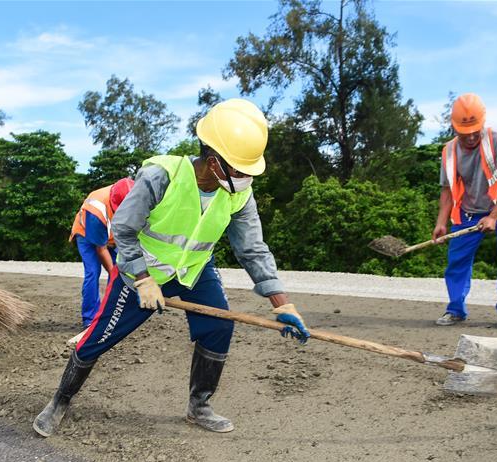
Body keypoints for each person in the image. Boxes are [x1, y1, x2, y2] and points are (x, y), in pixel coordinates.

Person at [34, 99, 310, 436]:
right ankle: (60, 400)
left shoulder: (238, 194)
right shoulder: (161, 176)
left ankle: (200, 406)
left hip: (194, 271)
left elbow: (252, 249)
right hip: (142, 272)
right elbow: (122, 229)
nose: (247, 178)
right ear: (214, 162)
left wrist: (283, 305)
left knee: (219, 327)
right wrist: (143, 279)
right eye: (241, 170)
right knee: (100, 337)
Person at [432, 93, 497, 328]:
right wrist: (441, 222)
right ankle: (455, 310)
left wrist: (493, 216)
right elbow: (447, 191)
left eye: (476, 130)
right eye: (465, 133)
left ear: (483, 123)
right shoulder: (449, 152)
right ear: (454, 128)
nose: (471, 136)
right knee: (457, 262)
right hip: (469, 212)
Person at [68, 178, 135, 343]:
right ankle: (90, 320)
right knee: (93, 272)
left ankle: (120, 314)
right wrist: (114, 274)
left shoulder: (136, 195)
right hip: (87, 234)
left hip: (112, 237)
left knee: (125, 270)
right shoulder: (96, 209)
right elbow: (101, 249)